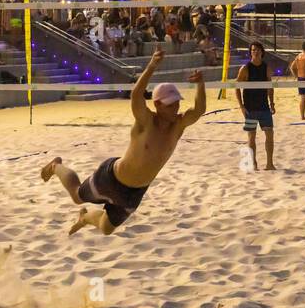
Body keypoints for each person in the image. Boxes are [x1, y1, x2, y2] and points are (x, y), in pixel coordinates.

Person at [41, 50, 207, 235]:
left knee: (106, 229)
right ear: (157, 104)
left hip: (135, 192)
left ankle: (84, 218)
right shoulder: (146, 121)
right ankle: (56, 166)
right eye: (170, 104)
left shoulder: (178, 125)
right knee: (77, 195)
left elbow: (199, 110)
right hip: (112, 178)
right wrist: (151, 66)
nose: (175, 107)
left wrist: (200, 84)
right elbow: (136, 96)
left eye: (177, 103)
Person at [237, 41, 277, 170]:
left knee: (269, 134)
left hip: (264, 107)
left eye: (257, 50)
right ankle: (254, 163)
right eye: (253, 50)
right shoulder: (245, 68)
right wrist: (241, 106)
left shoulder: (266, 68)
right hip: (250, 108)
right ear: (250, 52)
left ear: (262, 52)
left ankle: (269, 164)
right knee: (251, 136)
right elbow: (236, 87)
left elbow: (270, 87)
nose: (255, 52)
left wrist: (272, 103)